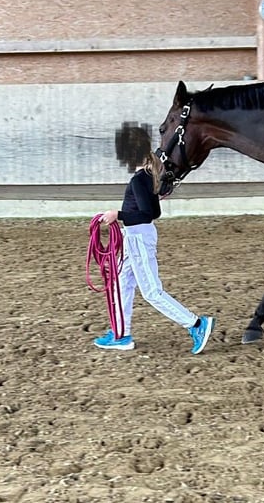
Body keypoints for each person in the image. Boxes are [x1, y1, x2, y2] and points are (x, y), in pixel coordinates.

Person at [93, 122, 215, 354]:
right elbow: (154, 212)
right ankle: (121, 334)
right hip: (135, 237)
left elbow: (147, 214)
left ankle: (196, 324)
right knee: (120, 283)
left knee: (151, 291)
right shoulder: (148, 176)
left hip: (138, 237)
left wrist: (116, 215)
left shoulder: (139, 180)